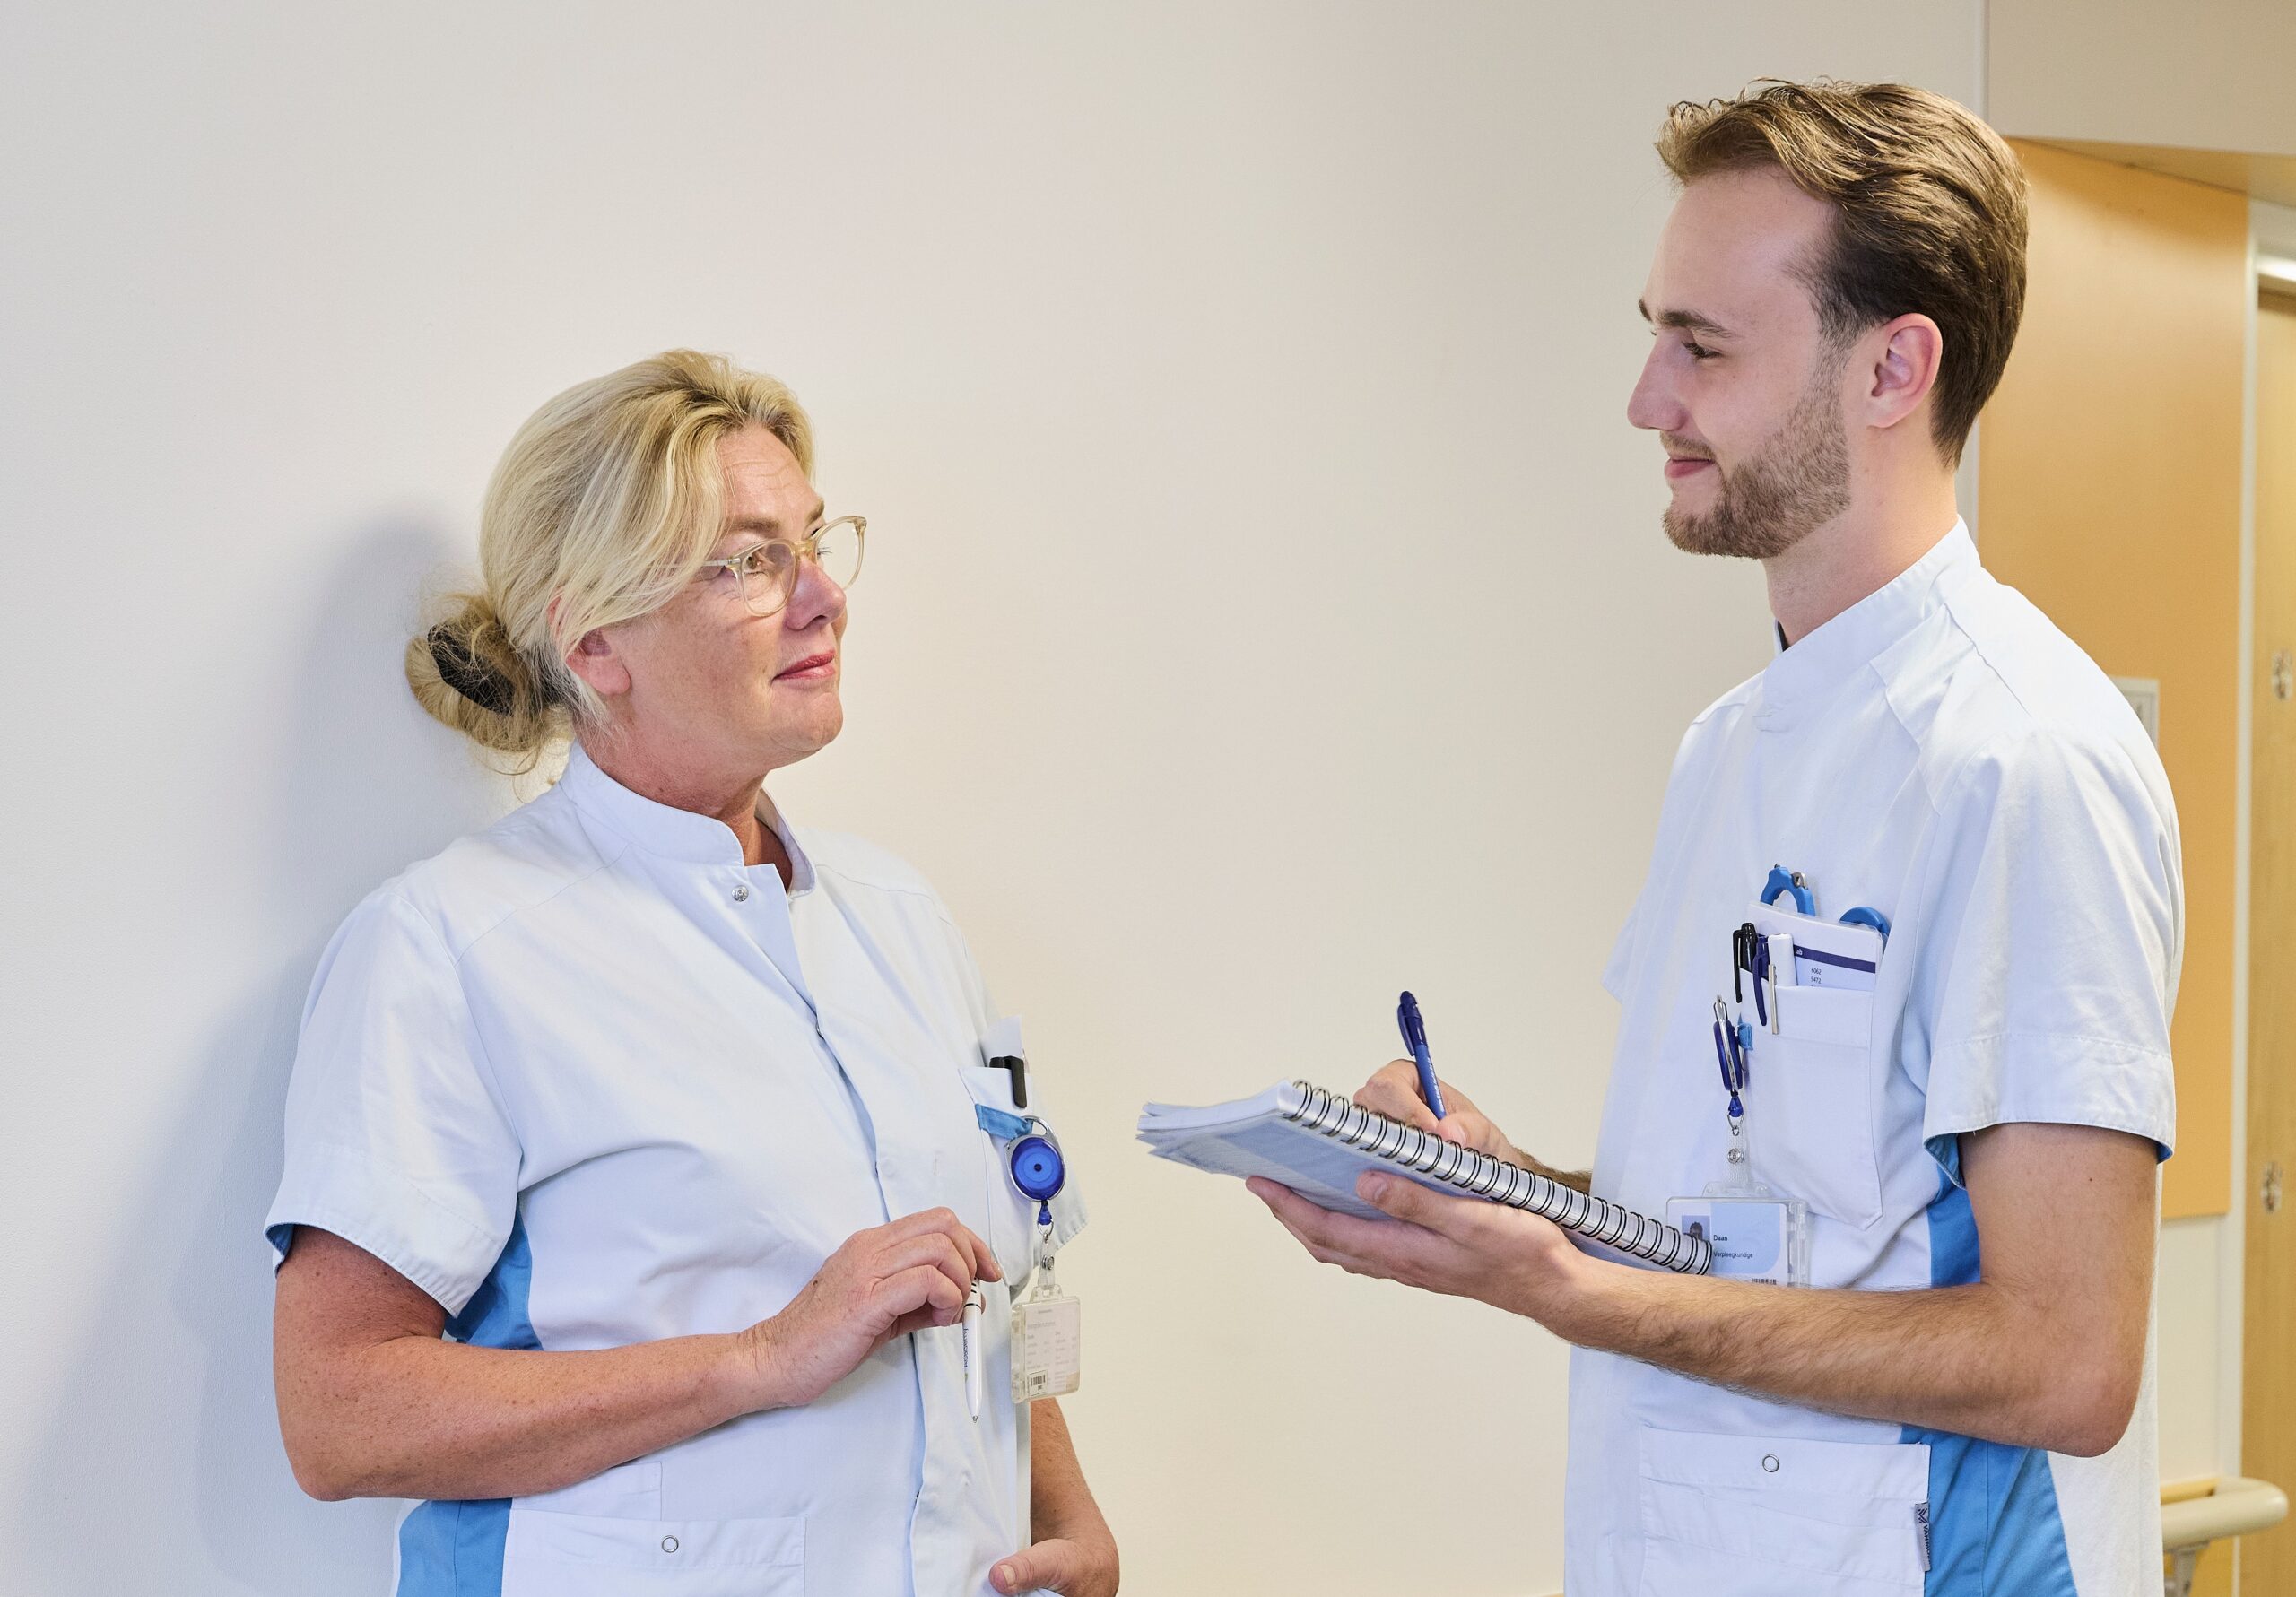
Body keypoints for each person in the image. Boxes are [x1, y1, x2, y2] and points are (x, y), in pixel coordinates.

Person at [1250, 81, 2177, 1596]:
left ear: (1896, 365)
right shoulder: (1731, 749)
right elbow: (1752, 1231)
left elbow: (2066, 1358)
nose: (1646, 399)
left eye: (1703, 345)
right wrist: (1523, 1197)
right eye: (1654, 331)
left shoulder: (2025, 758)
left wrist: (1572, 1294)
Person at [265, 350, 1118, 1597]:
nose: (823, 594)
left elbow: (984, 1288)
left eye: (816, 542)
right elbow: (337, 1413)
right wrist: (762, 1353)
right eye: (751, 560)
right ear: (594, 637)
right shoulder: (450, 946)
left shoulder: (898, 916)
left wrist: (1069, 1513)